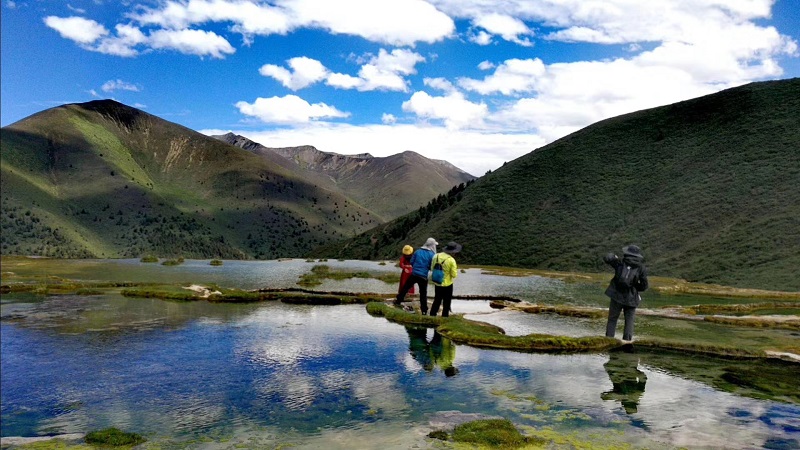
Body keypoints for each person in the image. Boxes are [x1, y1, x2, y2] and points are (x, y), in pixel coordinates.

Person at [604, 244, 649, 342]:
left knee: (612, 319)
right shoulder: (641, 268)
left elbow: (607, 258)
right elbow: (644, 286)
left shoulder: (620, 262)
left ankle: (608, 340)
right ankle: (627, 343)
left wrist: (614, 256)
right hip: (632, 298)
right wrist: (635, 287)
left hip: (616, 296)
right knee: (629, 322)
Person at [395, 238, 437, 314]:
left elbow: (411, 262)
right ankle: (424, 310)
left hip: (414, 274)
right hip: (423, 276)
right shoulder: (432, 254)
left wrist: (416, 267)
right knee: (423, 294)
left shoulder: (418, 251)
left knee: (405, 288)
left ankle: (398, 301)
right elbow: (432, 267)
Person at [600, 348, 647, 414]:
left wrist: (611, 397)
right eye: (629, 405)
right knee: (626, 347)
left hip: (617, 367)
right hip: (628, 364)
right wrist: (633, 372)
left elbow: (604, 396)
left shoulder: (622, 396)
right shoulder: (638, 393)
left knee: (617, 347)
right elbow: (643, 378)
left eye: (626, 405)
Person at [429, 241, 461, 317]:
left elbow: (432, 268)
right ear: (453, 252)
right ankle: (445, 316)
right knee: (447, 301)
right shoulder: (451, 260)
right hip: (447, 284)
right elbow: (454, 275)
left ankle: (432, 314)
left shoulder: (436, 256)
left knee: (437, 299)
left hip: (437, 282)